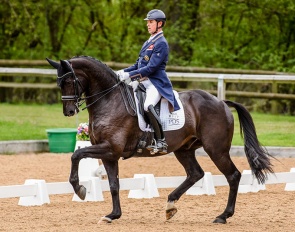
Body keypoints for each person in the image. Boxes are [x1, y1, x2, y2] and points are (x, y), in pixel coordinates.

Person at [116, 9, 180, 154]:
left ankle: (161, 141)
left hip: (155, 83)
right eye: (148, 22)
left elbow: (151, 68)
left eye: (151, 22)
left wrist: (130, 76)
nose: (148, 25)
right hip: (142, 83)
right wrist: (123, 72)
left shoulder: (161, 43)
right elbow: (138, 65)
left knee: (147, 105)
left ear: (160, 24)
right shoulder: (148, 42)